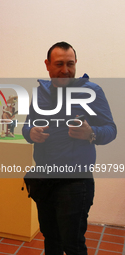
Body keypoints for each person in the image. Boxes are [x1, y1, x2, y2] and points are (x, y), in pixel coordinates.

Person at [22, 42, 116, 255]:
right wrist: (31, 133)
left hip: (75, 181)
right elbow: (28, 126)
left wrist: (91, 133)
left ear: (76, 64)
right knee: (50, 239)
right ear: (47, 65)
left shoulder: (92, 92)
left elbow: (111, 130)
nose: (65, 70)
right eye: (59, 64)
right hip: (44, 179)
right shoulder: (40, 94)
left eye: (70, 64)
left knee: (72, 244)